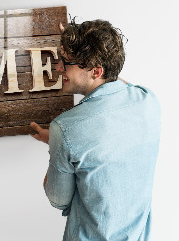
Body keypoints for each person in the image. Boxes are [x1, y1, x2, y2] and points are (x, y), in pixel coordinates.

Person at [30, 19, 160, 240]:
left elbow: (58, 200)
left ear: (96, 71)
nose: (59, 67)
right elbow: (114, 81)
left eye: (66, 62)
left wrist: (58, 145)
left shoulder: (65, 128)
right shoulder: (148, 100)